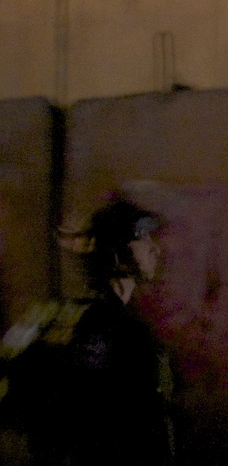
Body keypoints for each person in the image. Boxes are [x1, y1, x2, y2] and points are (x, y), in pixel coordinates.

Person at [0, 198, 175, 465]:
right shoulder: (126, 334)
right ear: (116, 251)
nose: (155, 249)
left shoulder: (45, 316)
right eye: (142, 238)